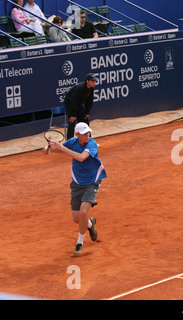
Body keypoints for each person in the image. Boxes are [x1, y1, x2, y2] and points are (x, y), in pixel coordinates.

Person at [42, 122, 106, 255]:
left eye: (88, 132)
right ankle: (90, 224)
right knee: (77, 219)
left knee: (83, 213)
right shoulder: (72, 142)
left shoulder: (92, 143)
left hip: (92, 181)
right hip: (77, 183)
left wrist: (62, 148)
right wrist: (47, 149)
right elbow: (55, 148)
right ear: (77, 135)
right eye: (84, 134)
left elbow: (82, 157)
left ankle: (79, 243)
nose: (87, 135)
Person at [64, 73, 98, 139]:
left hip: (79, 104)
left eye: (95, 81)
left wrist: (87, 112)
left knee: (85, 120)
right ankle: (69, 142)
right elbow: (73, 101)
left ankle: (88, 140)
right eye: (92, 81)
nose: (94, 83)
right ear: (87, 81)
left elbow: (89, 100)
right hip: (70, 104)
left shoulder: (91, 88)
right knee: (72, 122)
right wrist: (73, 115)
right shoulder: (80, 88)